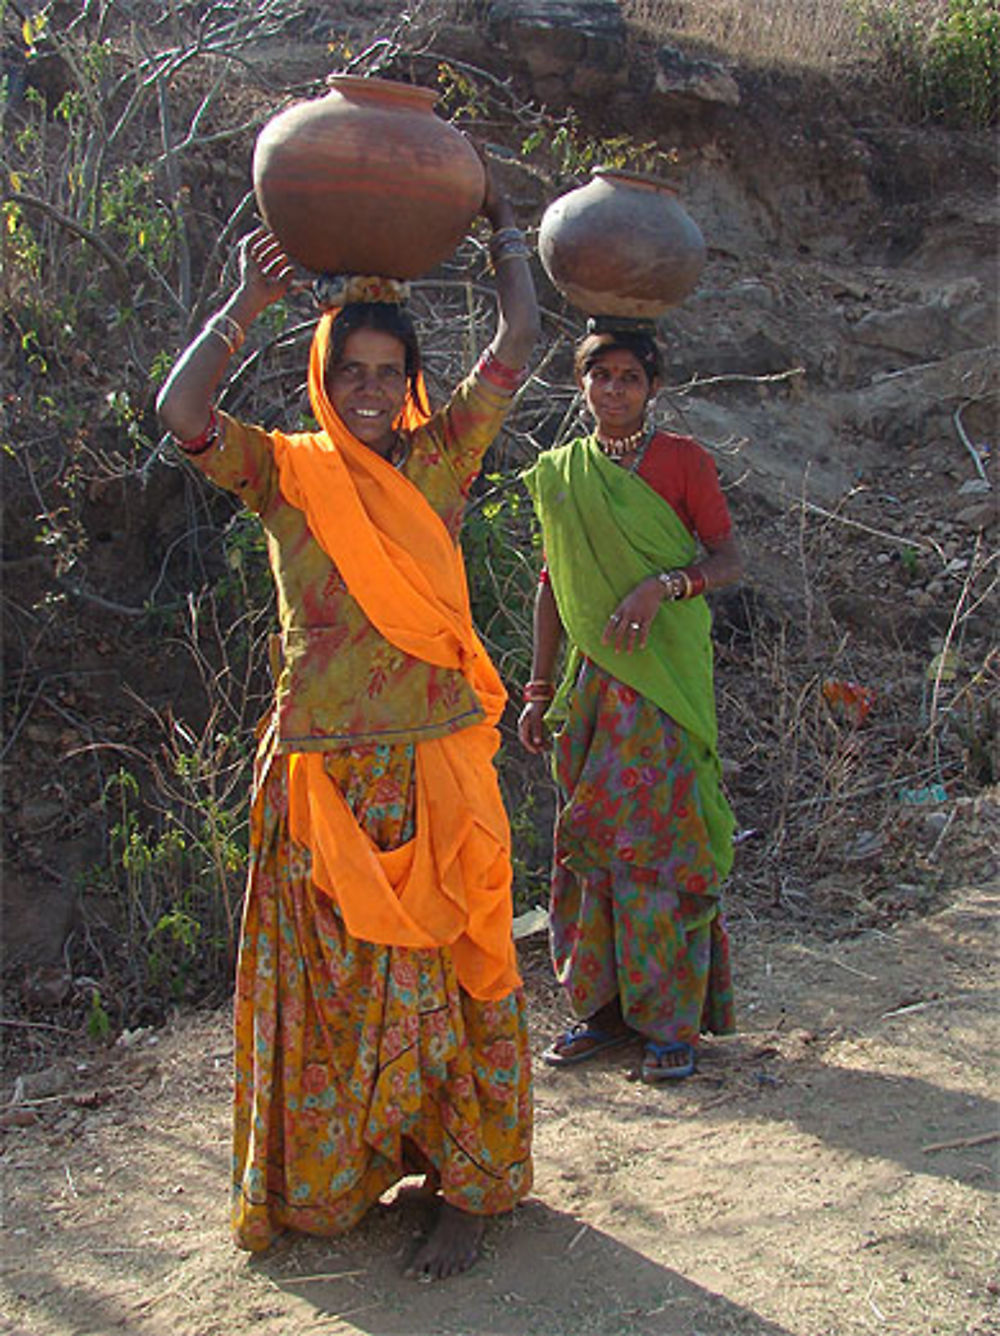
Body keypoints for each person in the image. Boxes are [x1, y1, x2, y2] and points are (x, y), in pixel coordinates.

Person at [156, 166, 539, 1278]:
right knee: (333, 997)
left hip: (429, 771)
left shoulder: (443, 457)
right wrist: (243, 306)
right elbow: (181, 414)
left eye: (388, 372)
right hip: (323, 783)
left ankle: (464, 1186)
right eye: (350, 373)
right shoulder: (286, 473)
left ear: (412, 380)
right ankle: (338, 1177)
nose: (370, 390)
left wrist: (506, 229)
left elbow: (518, 335)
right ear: (322, 379)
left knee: (447, 979)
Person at [518, 323, 740, 1083]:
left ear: (653, 388)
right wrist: (538, 687)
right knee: (590, 844)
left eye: (629, 378)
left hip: (666, 684)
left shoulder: (682, 462)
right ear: (580, 385)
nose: (614, 390)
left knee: (663, 845)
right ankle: (604, 1013)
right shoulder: (563, 473)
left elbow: (727, 558)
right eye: (600, 376)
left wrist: (661, 585)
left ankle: (672, 1022)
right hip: (592, 691)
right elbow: (552, 584)